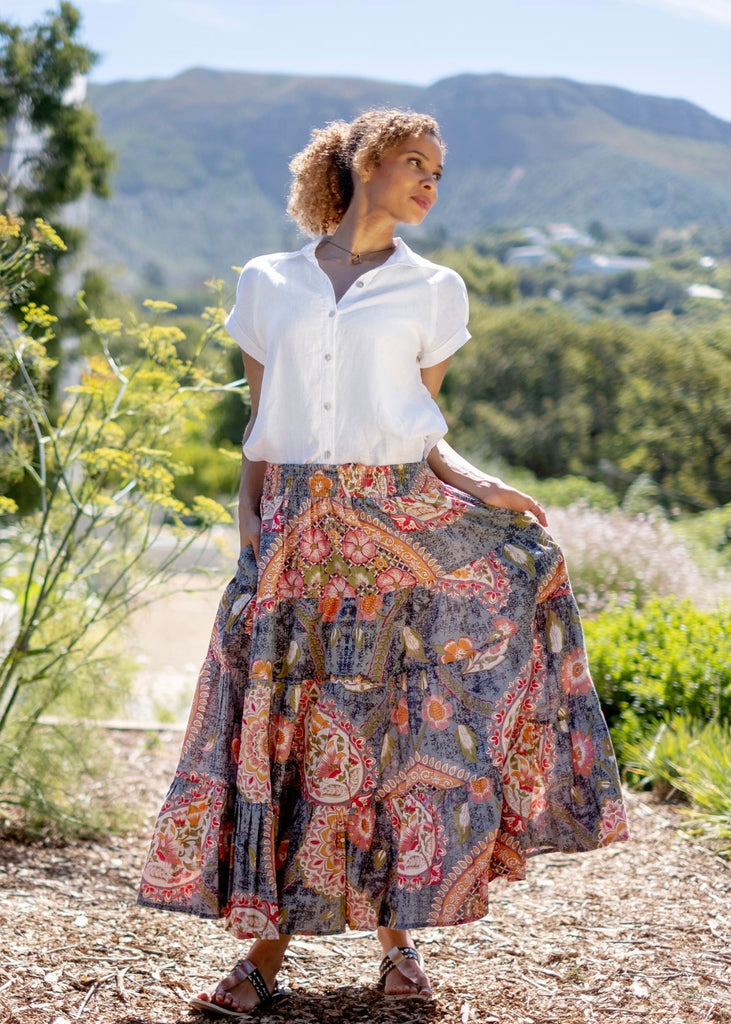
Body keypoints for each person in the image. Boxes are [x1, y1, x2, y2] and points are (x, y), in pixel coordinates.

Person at [137, 108, 629, 1015]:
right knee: (289, 739)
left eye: (438, 170)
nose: (430, 181)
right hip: (292, 532)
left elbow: (425, 434)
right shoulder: (268, 280)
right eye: (413, 162)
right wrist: (248, 521)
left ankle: (399, 952)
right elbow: (260, 420)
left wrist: (487, 489)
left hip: (393, 526)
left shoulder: (434, 288)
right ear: (361, 162)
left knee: (395, 742)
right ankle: (263, 957)